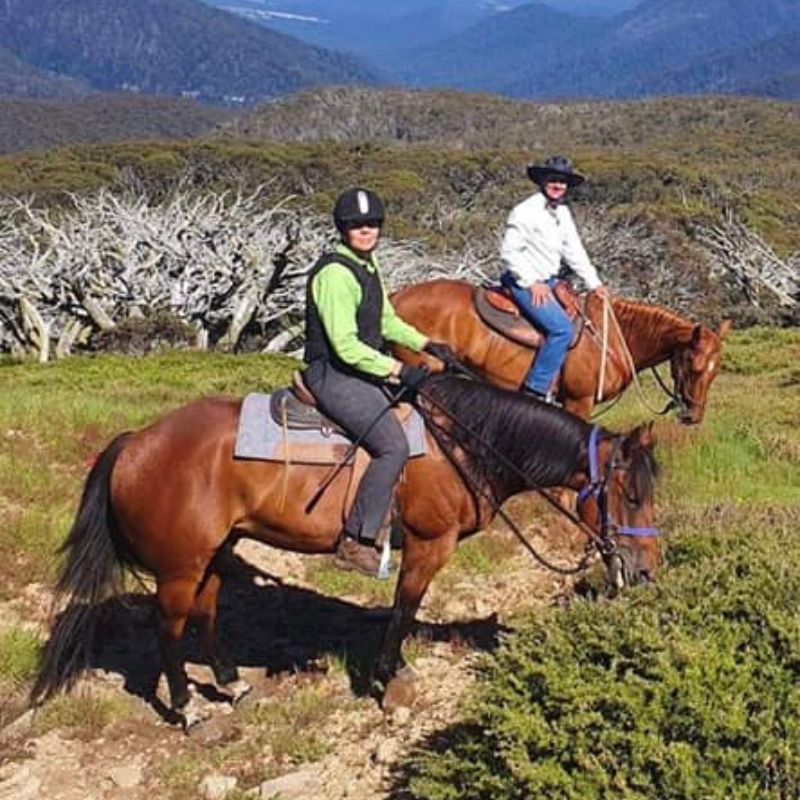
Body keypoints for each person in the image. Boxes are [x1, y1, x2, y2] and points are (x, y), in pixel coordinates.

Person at [302, 187, 457, 576]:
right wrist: (399, 370)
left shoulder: (368, 265)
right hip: (333, 374)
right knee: (392, 446)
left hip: (358, 369)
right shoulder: (336, 274)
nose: (366, 230)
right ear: (343, 228)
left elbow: (386, 320)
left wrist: (428, 345)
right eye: (357, 225)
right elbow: (346, 346)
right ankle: (357, 539)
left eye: (371, 224)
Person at [500, 155, 609, 403]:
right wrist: (531, 282)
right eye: (553, 180)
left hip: (550, 281)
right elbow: (509, 252)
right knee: (562, 329)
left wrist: (595, 283)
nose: (558, 185)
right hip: (523, 281)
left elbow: (574, 251)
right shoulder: (525, 211)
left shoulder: (563, 213)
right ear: (542, 181)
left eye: (563, 181)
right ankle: (535, 391)